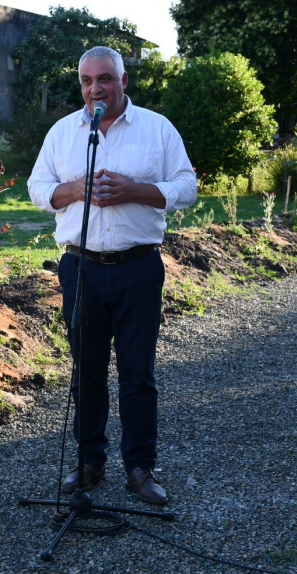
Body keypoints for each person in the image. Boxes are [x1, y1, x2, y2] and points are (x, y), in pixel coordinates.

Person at [28, 46, 197, 504]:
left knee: (137, 373)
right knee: (86, 372)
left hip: (138, 267)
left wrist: (137, 190)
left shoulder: (156, 129)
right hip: (80, 268)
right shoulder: (64, 133)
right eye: (86, 81)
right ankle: (89, 463)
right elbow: (37, 188)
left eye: (104, 79)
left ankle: (140, 469)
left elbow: (188, 185)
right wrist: (71, 189)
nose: (94, 89)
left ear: (123, 81)